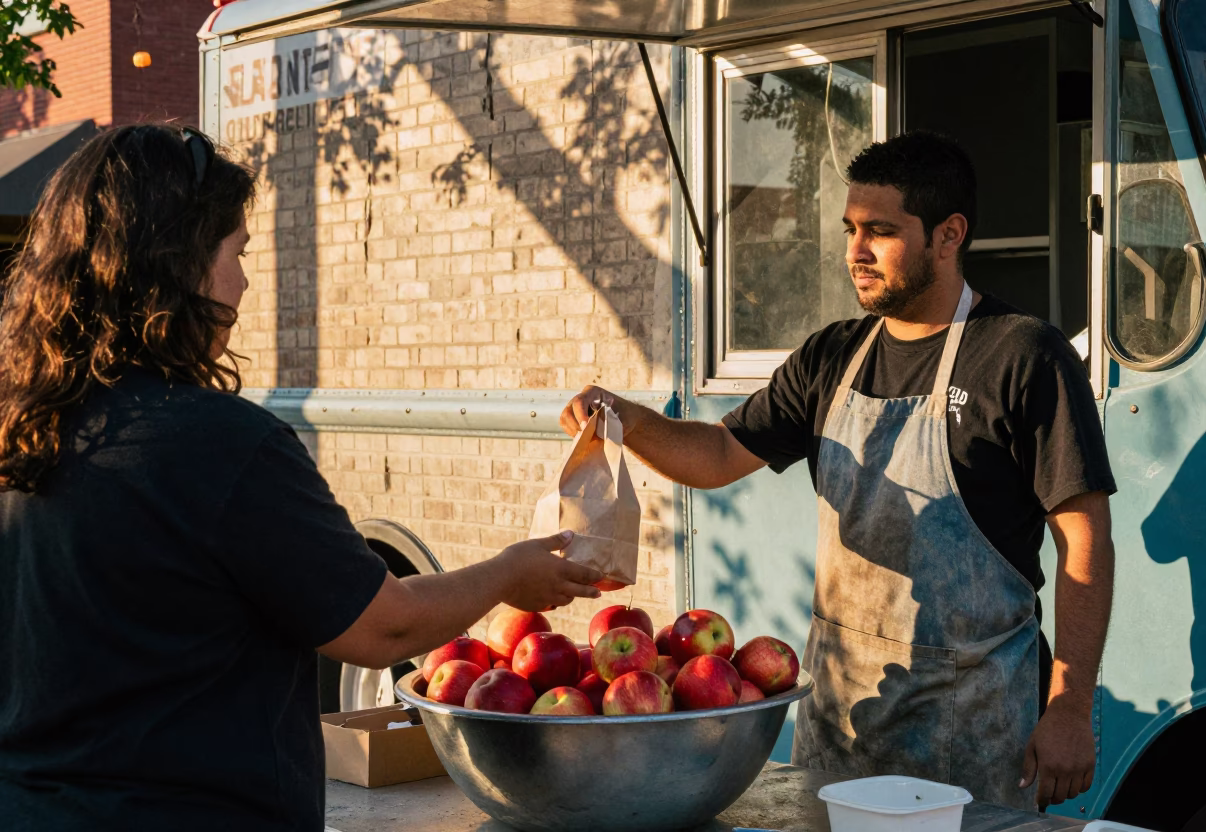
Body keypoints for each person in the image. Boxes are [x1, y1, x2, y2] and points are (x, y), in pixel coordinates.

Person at [0, 125, 602, 831]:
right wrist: (507, 574)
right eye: (237, 253)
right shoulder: (221, 443)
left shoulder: (23, 427)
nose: (245, 282)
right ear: (180, 263)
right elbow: (382, 628)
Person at [561, 132, 1116, 810]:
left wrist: (1069, 706)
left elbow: (1084, 542)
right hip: (842, 722)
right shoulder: (832, 357)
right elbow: (714, 456)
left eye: (880, 232)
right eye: (851, 229)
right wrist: (627, 418)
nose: (855, 250)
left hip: (972, 728)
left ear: (949, 235)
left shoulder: (1023, 355)